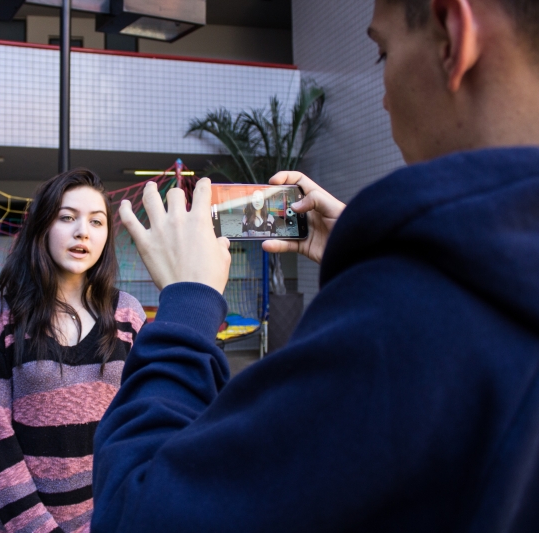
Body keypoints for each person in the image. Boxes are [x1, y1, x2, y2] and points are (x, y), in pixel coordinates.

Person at [91, 0, 539, 531]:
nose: (384, 97)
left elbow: (136, 510)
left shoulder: (405, 328)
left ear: (453, 33)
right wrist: (370, 251)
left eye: (382, 53)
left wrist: (186, 305)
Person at [0, 169, 145, 533]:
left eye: (96, 221)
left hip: (108, 518)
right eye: (67, 217)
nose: (83, 231)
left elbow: (142, 420)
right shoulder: (3, 319)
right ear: (43, 227)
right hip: (21, 525)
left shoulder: (128, 314)